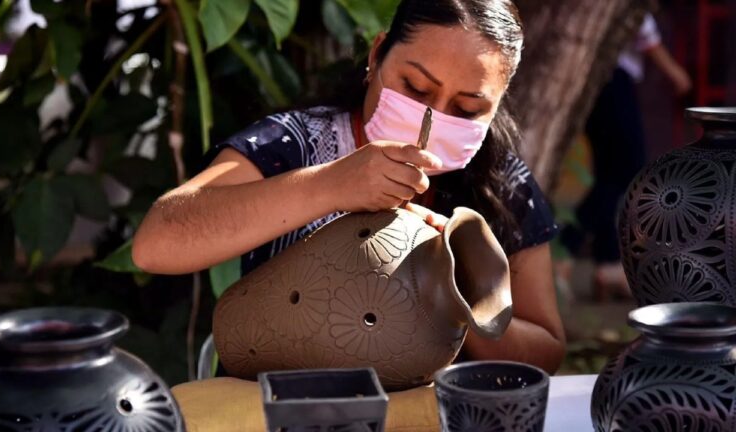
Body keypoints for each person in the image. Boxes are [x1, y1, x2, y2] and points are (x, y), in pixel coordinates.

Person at [133, 0, 566, 373]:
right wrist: (329, 185)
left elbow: (546, 349)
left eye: (468, 108)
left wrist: (465, 295)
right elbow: (156, 242)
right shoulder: (294, 144)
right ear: (377, 56)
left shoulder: (501, 182)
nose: (432, 119)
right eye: (414, 88)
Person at [560, 13, 692, 301]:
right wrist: (674, 72)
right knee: (628, 168)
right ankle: (565, 249)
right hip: (612, 78)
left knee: (610, 174)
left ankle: (606, 265)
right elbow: (638, 23)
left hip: (599, 79)